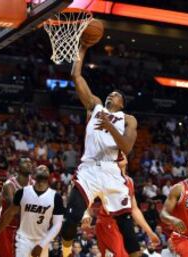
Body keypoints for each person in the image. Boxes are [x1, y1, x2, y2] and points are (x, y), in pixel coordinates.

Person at [61, 44, 139, 257]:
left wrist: (109, 125)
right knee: (71, 219)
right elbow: (76, 76)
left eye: (115, 95)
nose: (110, 96)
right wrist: (83, 48)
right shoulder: (95, 106)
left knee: (128, 231)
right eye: (110, 94)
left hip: (111, 171)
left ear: (122, 103)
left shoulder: (128, 119)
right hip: (88, 169)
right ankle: (65, 252)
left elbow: (126, 147)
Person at [82, 154, 160, 257]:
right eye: (117, 155)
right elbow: (86, 197)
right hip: (108, 221)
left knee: (136, 254)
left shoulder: (129, 181)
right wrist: (86, 214)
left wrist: (150, 232)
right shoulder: (105, 179)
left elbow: (135, 210)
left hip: (125, 221)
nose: (120, 155)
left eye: (122, 153)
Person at [0, 165, 65, 257]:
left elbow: (57, 224)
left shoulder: (56, 197)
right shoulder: (22, 192)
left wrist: (41, 245)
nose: (43, 168)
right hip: (23, 239)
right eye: (40, 168)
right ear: (33, 175)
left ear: (49, 175)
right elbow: (8, 215)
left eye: (46, 168)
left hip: (42, 240)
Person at [0, 157, 34, 257]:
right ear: (18, 167)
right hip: (7, 229)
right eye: (25, 162)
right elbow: (15, 210)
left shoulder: (35, 184)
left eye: (30, 162)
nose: (29, 164)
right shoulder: (9, 185)